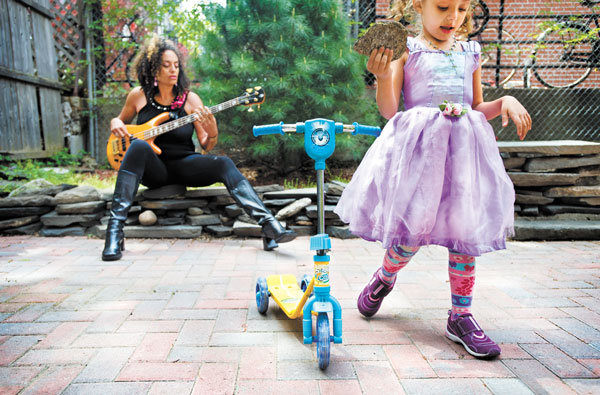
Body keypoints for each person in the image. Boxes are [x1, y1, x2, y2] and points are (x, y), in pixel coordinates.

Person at [335, 0, 531, 359]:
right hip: (420, 158)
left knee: (464, 231)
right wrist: (381, 77)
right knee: (410, 234)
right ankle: (385, 276)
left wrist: (504, 101)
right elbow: (390, 109)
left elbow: (475, 107)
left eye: (460, 8)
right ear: (418, 5)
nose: (452, 17)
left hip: (462, 158)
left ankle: (461, 315)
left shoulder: (471, 52)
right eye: (442, 7)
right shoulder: (406, 50)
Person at [102, 35, 296, 261]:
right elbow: (120, 123)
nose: (173, 70)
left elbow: (206, 144)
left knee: (223, 162)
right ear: (153, 69)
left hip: (185, 165)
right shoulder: (138, 96)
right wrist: (115, 122)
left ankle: (269, 225)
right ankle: (114, 232)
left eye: (176, 65)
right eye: (166, 65)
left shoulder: (190, 100)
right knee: (137, 147)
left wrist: (212, 130)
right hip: (154, 170)